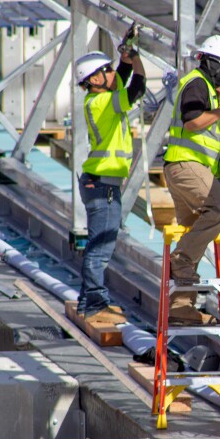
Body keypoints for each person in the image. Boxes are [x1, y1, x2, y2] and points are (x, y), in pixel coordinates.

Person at [164, 35, 220, 326]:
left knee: (192, 233)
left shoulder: (205, 86)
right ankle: (180, 263)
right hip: (189, 166)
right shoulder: (196, 82)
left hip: (184, 168)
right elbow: (193, 120)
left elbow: (215, 95)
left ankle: (181, 306)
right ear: (212, 62)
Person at [73, 47, 145, 322]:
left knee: (99, 245)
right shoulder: (103, 103)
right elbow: (135, 89)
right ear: (92, 80)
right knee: (100, 248)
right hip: (102, 186)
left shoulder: (99, 98)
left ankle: (88, 301)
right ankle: (94, 305)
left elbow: (118, 80)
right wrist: (136, 60)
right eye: (104, 70)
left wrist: (123, 62)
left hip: (100, 183)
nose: (111, 73)